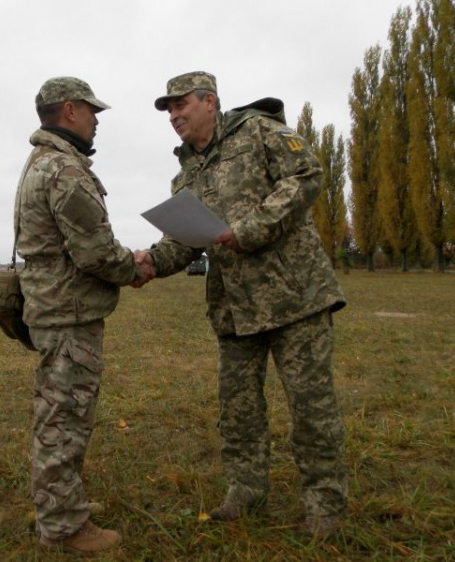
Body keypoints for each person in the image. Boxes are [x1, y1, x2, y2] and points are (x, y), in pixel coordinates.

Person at [136, 71, 347, 538]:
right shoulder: (185, 173)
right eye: (168, 110)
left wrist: (249, 229)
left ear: (209, 101)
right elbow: (185, 243)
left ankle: (325, 505)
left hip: (295, 298)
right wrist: (150, 261)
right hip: (234, 310)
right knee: (238, 410)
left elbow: (307, 174)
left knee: (311, 408)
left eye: (180, 105)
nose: (173, 116)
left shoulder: (259, 130)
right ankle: (246, 490)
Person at [15, 76, 153, 555]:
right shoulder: (65, 171)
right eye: (93, 112)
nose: (97, 121)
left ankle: (57, 512)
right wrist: (132, 266)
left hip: (53, 310)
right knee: (64, 421)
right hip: (68, 314)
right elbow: (95, 251)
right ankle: (64, 527)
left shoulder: (40, 163)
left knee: (55, 414)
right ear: (70, 110)